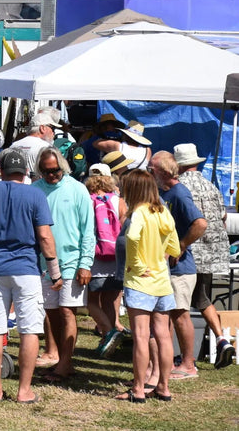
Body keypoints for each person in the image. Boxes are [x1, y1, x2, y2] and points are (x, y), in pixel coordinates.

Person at [0, 148, 57, 403]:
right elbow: (45, 237)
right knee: (29, 330)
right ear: (26, 172)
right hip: (26, 269)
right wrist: (54, 271)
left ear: (2, 171)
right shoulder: (35, 195)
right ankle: (23, 390)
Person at [115, 168, 180, 403]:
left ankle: (139, 389)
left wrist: (136, 264)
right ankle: (164, 387)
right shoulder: (163, 211)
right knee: (163, 336)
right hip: (162, 281)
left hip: (141, 281)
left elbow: (131, 238)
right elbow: (174, 242)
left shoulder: (140, 212)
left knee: (141, 337)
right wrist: (168, 254)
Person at [32, 147, 94, 381]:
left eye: (55, 170)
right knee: (52, 313)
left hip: (72, 261)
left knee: (68, 311)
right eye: (46, 172)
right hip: (43, 263)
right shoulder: (35, 190)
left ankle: (66, 363)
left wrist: (85, 263)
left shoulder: (78, 190)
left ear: (63, 167)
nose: (52, 175)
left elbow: (89, 230)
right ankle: (60, 360)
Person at [174, 143, 236, 368]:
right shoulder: (211, 186)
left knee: (177, 305)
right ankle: (221, 338)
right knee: (201, 299)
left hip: (186, 252)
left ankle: (181, 354)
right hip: (211, 253)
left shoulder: (178, 186)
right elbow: (222, 219)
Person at [149, 150, 207, 382]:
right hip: (170, 267)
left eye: (152, 169)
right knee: (168, 314)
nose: (149, 172)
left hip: (181, 268)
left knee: (181, 315)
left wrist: (181, 246)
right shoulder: (165, 192)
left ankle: (188, 364)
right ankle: (172, 360)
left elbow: (200, 224)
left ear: (163, 171)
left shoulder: (179, 194)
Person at [84, 163, 128, 356]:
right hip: (116, 258)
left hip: (96, 256)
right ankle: (108, 339)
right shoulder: (118, 201)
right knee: (110, 301)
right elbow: (126, 227)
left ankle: (108, 332)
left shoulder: (87, 199)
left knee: (91, 301)